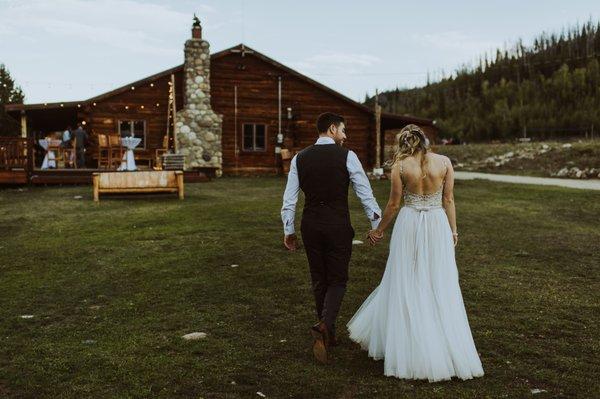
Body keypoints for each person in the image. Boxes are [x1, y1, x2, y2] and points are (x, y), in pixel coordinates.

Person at [347, 124, 484, 382]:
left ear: (404, 142)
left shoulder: (399, 166)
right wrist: (453, 231)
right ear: (426, 141)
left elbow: (394, 203)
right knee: (437, 281)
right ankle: (439, 343)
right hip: (436, 224)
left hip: (409, 223)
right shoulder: (444, 162)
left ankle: (408, 343)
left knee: (406, 278)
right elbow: (448, 200)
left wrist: (378, 230)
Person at [281, 112, 381, 364]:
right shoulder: (347, 156)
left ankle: (328, 334)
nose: (345, 136)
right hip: (337, 224)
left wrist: (288, 230)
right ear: (333, 129)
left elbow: (289, 199)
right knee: (337, 279)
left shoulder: (299, 158)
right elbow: (364, 192)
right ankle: (325, 326)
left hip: (310, 224)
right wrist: (376, 224)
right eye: (343, 131)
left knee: (319, 279)